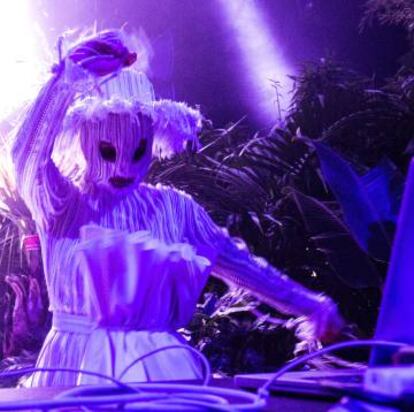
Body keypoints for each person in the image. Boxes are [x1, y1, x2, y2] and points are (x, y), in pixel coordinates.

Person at [11, 30, 344, 387]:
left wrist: (311, 306)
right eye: (108, 150)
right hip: (76, 366)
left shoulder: (174, 208)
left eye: (137, 151)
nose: (123, 167)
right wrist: (67, 78)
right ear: (85, 139)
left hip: (160, 365)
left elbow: (240, 265)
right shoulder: (61, 203)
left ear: (151, 141)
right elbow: (26, 155)